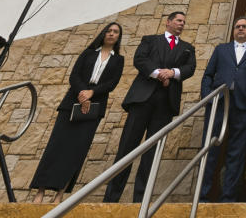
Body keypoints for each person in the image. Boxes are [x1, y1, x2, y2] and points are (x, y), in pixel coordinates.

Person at [103, 11, 196, 203]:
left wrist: (172, 72)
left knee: (152, 153)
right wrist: (158, 74)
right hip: (142, 100)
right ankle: (111, 198)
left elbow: (190, 68)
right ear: (168, 22)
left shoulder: (188, 48)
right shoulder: (150, 40)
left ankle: (140, 201)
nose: (182, 24)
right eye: (178, 20)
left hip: (165, 104)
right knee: (127, 147)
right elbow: (140, 59)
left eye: (184, 22)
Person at [30, 22, 124, 203]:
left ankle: (59, 194)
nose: (111, 34)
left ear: (119, 37)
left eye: (115, 32)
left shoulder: (118, 60)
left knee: (77, 150)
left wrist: (92, 93)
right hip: (72, 101)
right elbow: (74, 75)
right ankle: (40, 191)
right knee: (56, 146)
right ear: (103, 34)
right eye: (109, 31)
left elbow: (112, 83)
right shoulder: (89, 53)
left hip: (94, 106)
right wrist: (83, 92)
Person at [199, 17, 246, 202]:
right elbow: (208, 75)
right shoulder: (221, 50)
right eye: (237, 27)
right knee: (210, 149)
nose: (240, 29)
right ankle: (203, 196)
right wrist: (207, 97)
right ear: (233, 31)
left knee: (236, 153)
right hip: (218, 104)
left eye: (244, 27)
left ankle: (228, 198)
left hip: (244, 106)